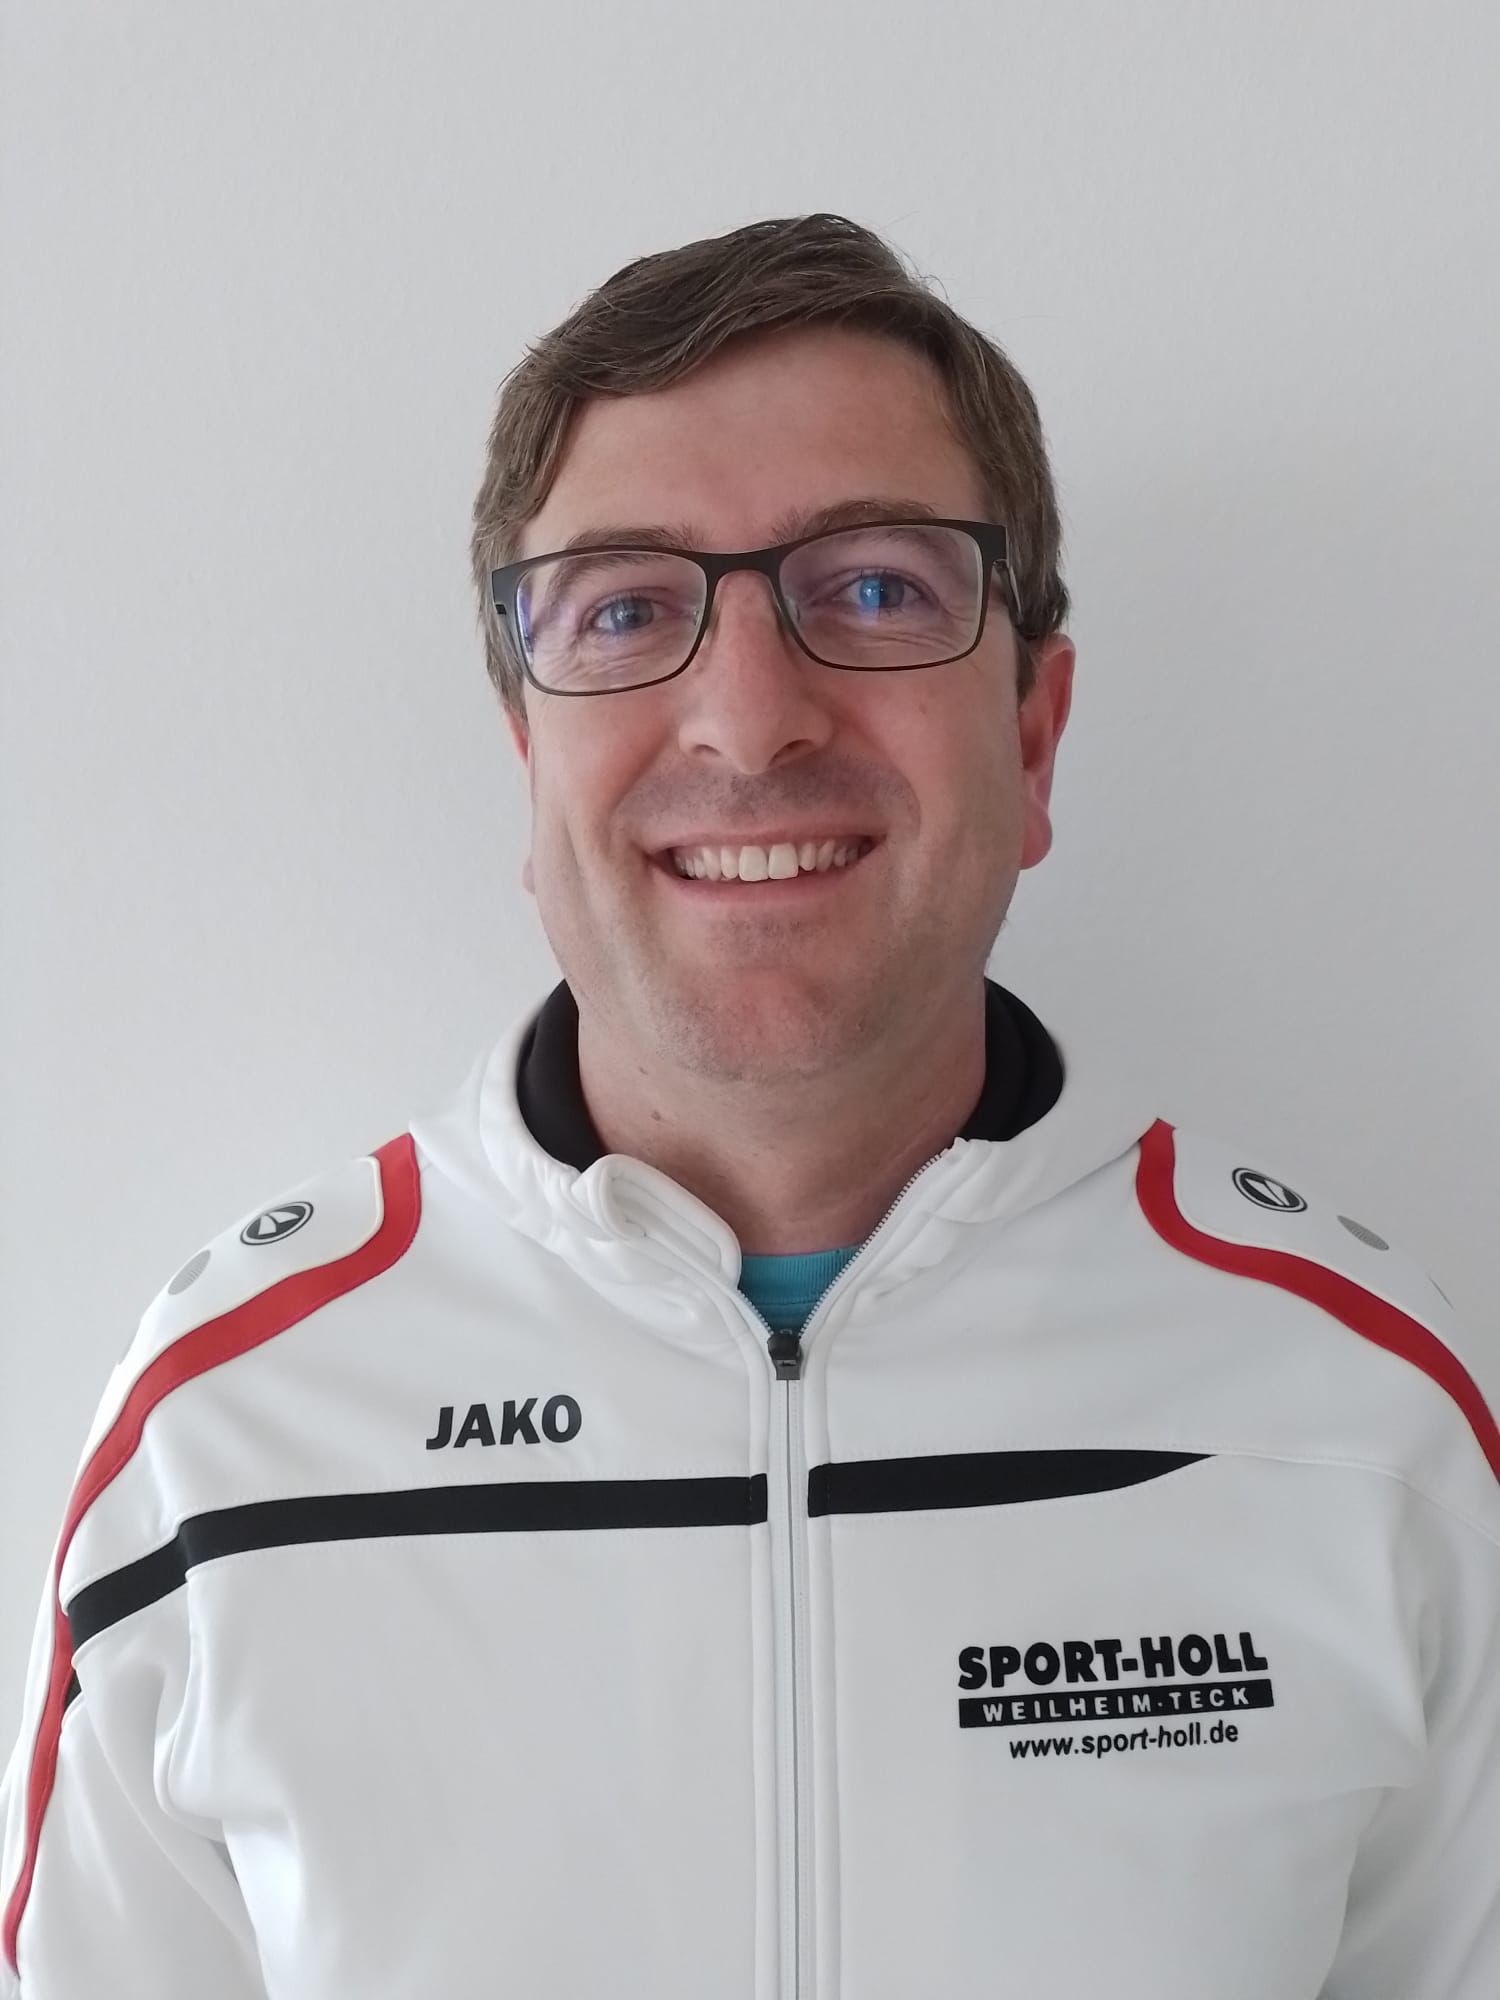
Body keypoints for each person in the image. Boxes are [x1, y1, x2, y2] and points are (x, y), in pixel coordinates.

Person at [2, 211, 1496, 1999]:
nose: (747, 719)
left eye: (874, 589)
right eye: (630, 608)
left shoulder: (1361, 1422)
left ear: (1032, 736)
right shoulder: (225, 1441)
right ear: (529, 755)